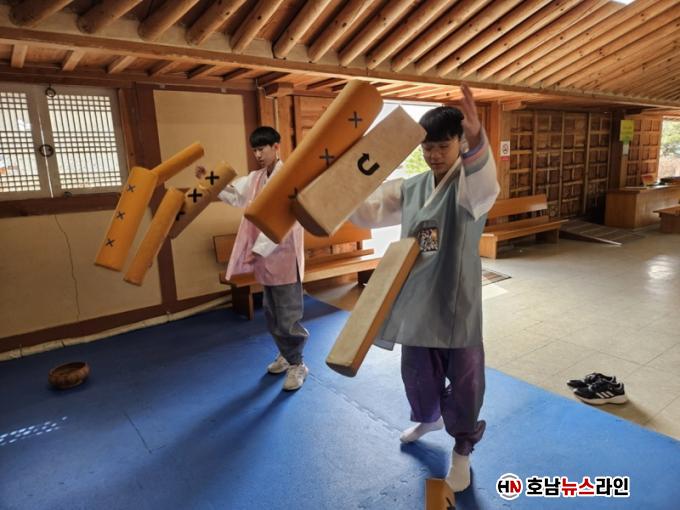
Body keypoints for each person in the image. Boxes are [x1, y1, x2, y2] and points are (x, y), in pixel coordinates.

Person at [349, 85, 500, 491]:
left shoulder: (468, 185)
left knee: (466, 380)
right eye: (428, 147)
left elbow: (486, 185)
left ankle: (462, 450)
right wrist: (339, 183)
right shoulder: (413, 186)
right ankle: (428, 418)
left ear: (459, 144)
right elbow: (369, 210)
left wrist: (477, 142)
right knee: (416, 372)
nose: (434, 155)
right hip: (417, 296)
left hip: (455, 299)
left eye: (442, 146)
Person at [197, 127, 309, 391]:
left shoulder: (288, 177)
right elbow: (235, 196)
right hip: (264, 257)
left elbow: (286, 221)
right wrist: (208, 180)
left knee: (288, 315)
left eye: (262, 149)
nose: (258, 155)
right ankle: (286, 354)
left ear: (276, 147)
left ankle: (298, 364)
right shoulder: (255, 178)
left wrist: (260, 248)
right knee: (271, 312)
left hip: (284, 255)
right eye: (255, 150)